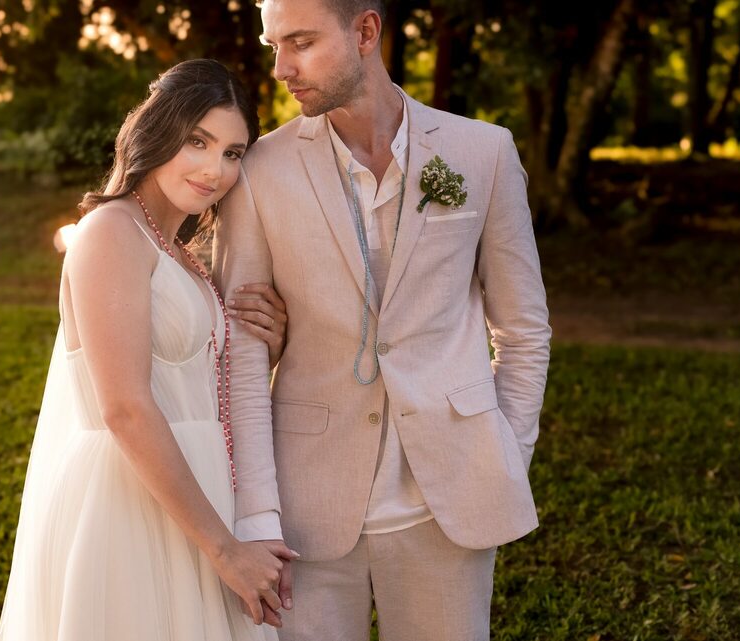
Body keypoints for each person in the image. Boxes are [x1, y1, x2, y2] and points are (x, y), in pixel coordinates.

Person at [214, 1, 552, 640]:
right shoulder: (258, 170)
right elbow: (243, 355)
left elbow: (524, 327)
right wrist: (256, 513)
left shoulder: (483, 152)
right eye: (273, 46)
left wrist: (506, 452)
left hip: (451, 499)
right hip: (304, 510)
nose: (281, 68)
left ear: (365, 31)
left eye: (301, 42)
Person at [0, 59, 295, 641]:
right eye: (197, 141)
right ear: (159, 131)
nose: (214, 169)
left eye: (233, 153)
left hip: (194, 494)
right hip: (131, 502)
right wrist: (225, 549)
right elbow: (126, 408)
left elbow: (189, 384)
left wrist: (270, 347)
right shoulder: (112, 232)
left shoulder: (179, 253)